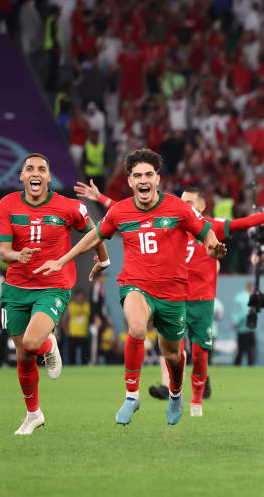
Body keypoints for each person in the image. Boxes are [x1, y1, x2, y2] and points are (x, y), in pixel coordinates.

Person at [35, 148, 226, 426]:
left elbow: (206, 232)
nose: (143, 179)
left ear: (158, 179)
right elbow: (94, 236)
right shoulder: (120, 211)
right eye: (137, 175)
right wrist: (62, 260)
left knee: (173, 354)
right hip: (136, 283)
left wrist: (213, 248)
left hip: (173, 292)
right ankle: (131, 395)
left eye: (148, 174)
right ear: (130, 182)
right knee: (136, 328)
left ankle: (175, 393)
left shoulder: (178, 208)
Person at [75, 179, 264, 416]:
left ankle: (197, 403)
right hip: (175, 297)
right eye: (182, 202)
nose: (183, 206)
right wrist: (100, 198)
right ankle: (171, 390)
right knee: (173, 350)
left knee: (201, 355)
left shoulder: (211, 226)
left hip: (202, 301)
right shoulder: (171, 222)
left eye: (189, 203)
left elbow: (245, 222)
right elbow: (129, 212)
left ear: (201, 208)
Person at [0, 153, 109, 435]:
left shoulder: (69, 206)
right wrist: (16, 255)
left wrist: (103, 261)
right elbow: (3, 251)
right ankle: (33, 414)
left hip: (53, 285)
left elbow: (95, 232)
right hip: (16, 288)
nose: (36, 173)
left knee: (33, 342)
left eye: (42, 169)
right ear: (22, 176)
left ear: (48, 177)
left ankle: (48, 345)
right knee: (22, 355)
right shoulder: (7, 204)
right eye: (30, 169)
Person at [61, 288, 92, 365]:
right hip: (73, 334)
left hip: (84, 334)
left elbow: (91, 319)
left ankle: (85, 370)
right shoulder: (70, 306)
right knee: (72, 355)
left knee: (85, 356)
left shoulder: (87, 306)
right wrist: (66, 331)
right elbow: (63, 319)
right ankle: (72, 369)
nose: (80, 299)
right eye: (78, 297)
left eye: (81, 297)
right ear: (75, 297)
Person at [231, 282, 257, 366]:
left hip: (240, 329)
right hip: (248, 328)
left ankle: (237, 365)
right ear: (250, 287)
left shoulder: (238, 297)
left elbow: (236, 312)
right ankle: (250, 367)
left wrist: (235, 322)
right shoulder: (249, 298)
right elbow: (245, 312)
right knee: (250, 352)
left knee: (240, 350)